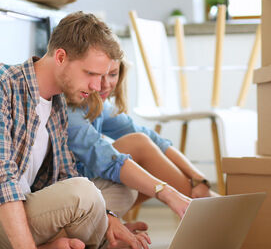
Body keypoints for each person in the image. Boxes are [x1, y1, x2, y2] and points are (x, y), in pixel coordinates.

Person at [0, 12, 158, 249]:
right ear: (60, 57)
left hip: (27, 209)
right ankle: (57, 247)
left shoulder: (57, 103)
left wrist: (110, 219)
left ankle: (89, 241)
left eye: (102, 75)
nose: (97, 86)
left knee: (120, 191)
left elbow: (65, 175)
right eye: (90, 73)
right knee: (83, 192)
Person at [67, 59, 218, 217]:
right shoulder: (71, 110)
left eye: (112, 74)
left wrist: (198, 179)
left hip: (91, 183)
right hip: (72, 193)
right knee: (137, 144)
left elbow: (155, 140)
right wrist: (166, 191)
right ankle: (210, 211)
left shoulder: (99, 106)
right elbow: (108, 160)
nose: (105, 84)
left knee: (142, 144)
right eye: (98, 75)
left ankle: (207, 207)